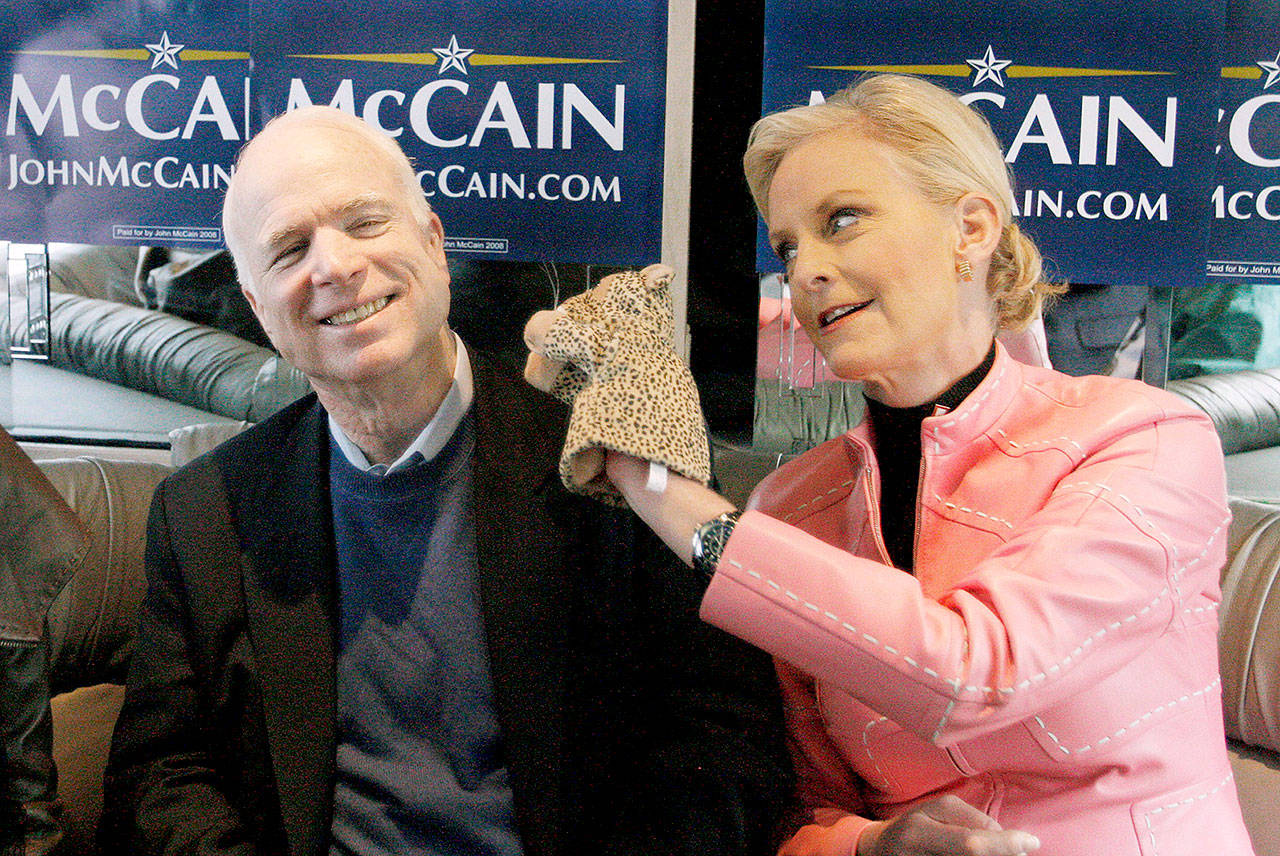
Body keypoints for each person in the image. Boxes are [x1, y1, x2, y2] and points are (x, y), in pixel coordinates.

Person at [97, 105, 793, 856]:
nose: (333, 267)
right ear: (262, 309)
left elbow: (726, 749)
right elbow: (158, 778)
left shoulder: (619, 472)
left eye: (364, 224)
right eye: (291, 248)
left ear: (433, 243)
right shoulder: (204, 512)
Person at [599, 75, 1256, 856]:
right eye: (787, 246)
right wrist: (870, 845)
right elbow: (807, 806)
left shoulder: (1146, 438)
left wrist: (661, 488)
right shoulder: (793, 504)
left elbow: (977, 673)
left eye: (842, 221)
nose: (805, 269)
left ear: (971, 228)